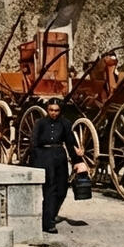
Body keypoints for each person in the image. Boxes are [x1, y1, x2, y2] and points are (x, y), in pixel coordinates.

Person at [32, 98, 84, 234]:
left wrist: (77, 161)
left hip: (59, 157)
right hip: (44, 157)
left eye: (56, 110)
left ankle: (50, 215)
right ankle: (48, 223)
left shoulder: (65, 124)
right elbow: (34, 144)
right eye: (51, 110)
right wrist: (37, 163)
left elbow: (70, 143)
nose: (54, 113)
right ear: (47, 109)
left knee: (62, 190)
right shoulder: (40, 123)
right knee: (50, 190)